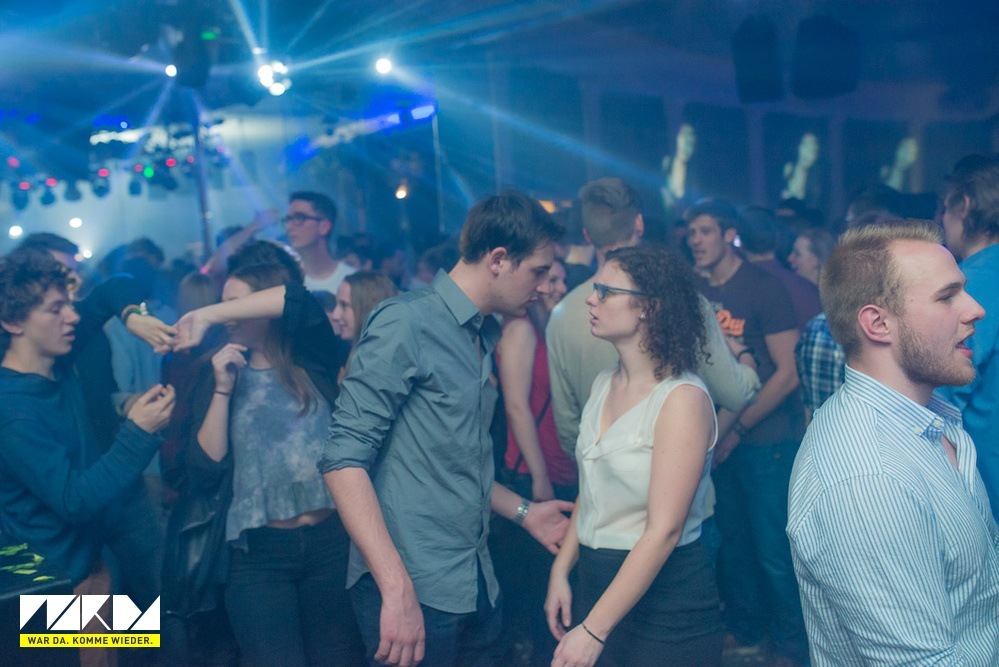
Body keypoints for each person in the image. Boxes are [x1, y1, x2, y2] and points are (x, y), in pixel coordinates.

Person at [320, 191, 575, 667]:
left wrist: (526, 513)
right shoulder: (408, 322)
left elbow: (454, 461)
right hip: (413, 588)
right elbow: (342, 460)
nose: (544, 286)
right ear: (498, 259)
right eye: (538, 271)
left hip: (474, 579)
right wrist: (395, 589)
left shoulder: (483, 332)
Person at [786, 222, 999, 665]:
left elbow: (973, 595)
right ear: (878, 323)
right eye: (947, 296)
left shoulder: (933, 422)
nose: (976, 309)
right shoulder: (869, 479)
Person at [172, 261, 361, 666]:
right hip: (258, 557)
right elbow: (204, 470)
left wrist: (208, 313)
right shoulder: (216, 371)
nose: (226, 316)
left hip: (331, 543)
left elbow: (298, 300)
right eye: (221, 304)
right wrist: (222, 390)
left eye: (235, 305)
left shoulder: (311, 357)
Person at [545, 245, 723, 667]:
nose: (590, 299)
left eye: (605, 291)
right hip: (598, 586)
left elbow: (664, 530)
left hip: (666, 605)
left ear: (648, 307)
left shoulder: (681, 400)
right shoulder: (602, 385)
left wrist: (593, 630)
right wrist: (561, 571)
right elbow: (591, 493)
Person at [0, 251, 175, 663]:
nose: (72, 317)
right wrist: (138, 432)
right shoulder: (11, 410)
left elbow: (109, 292)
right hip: (52, 583)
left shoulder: (55, 365)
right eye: (55, 309)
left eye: (68, 304)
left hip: (92, 565)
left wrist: (133, 317)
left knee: (144, 649)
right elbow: (73, 500)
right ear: (13, 322)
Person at [547, 178, 759, 460]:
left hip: (600, 477)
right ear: (639, 224)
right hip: (680, 465)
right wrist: (746, 360)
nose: (594, 301)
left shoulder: (561, 315)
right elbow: (734, 394)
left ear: (587, 235)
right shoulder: (683, 301)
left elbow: (568, 429)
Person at [685, 199, 807, 664]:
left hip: (766, 442)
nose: (695, 240)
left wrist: (737, 429)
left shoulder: (761, 288)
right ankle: (748, 630)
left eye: (705, 231)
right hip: (717, 443)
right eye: (691, 232)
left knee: (773, 549)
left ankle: (792, 644)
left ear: (728, 235)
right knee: (733, 545)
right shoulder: (696, 289)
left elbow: (788, 374)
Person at [492, 258, 576, 666]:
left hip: (559, 467)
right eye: (549, 278)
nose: (558, 286)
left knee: (556, 579)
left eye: (562, 279)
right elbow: (516, 407)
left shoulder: (551, 329)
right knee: (535, 586)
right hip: (530, 475)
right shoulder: (521, 329)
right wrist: (540, 478)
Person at [937, 154, 999, 518]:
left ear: (964, 205)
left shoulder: (966, 285)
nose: (942, 220)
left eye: (945, 207)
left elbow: (941, 402)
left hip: (985, 494)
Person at [283, 191, 357, 292]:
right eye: (288, 219)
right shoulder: (284, 280)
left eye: (299, 218)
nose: (289, 227)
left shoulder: (353, 281)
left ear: (324, 226)